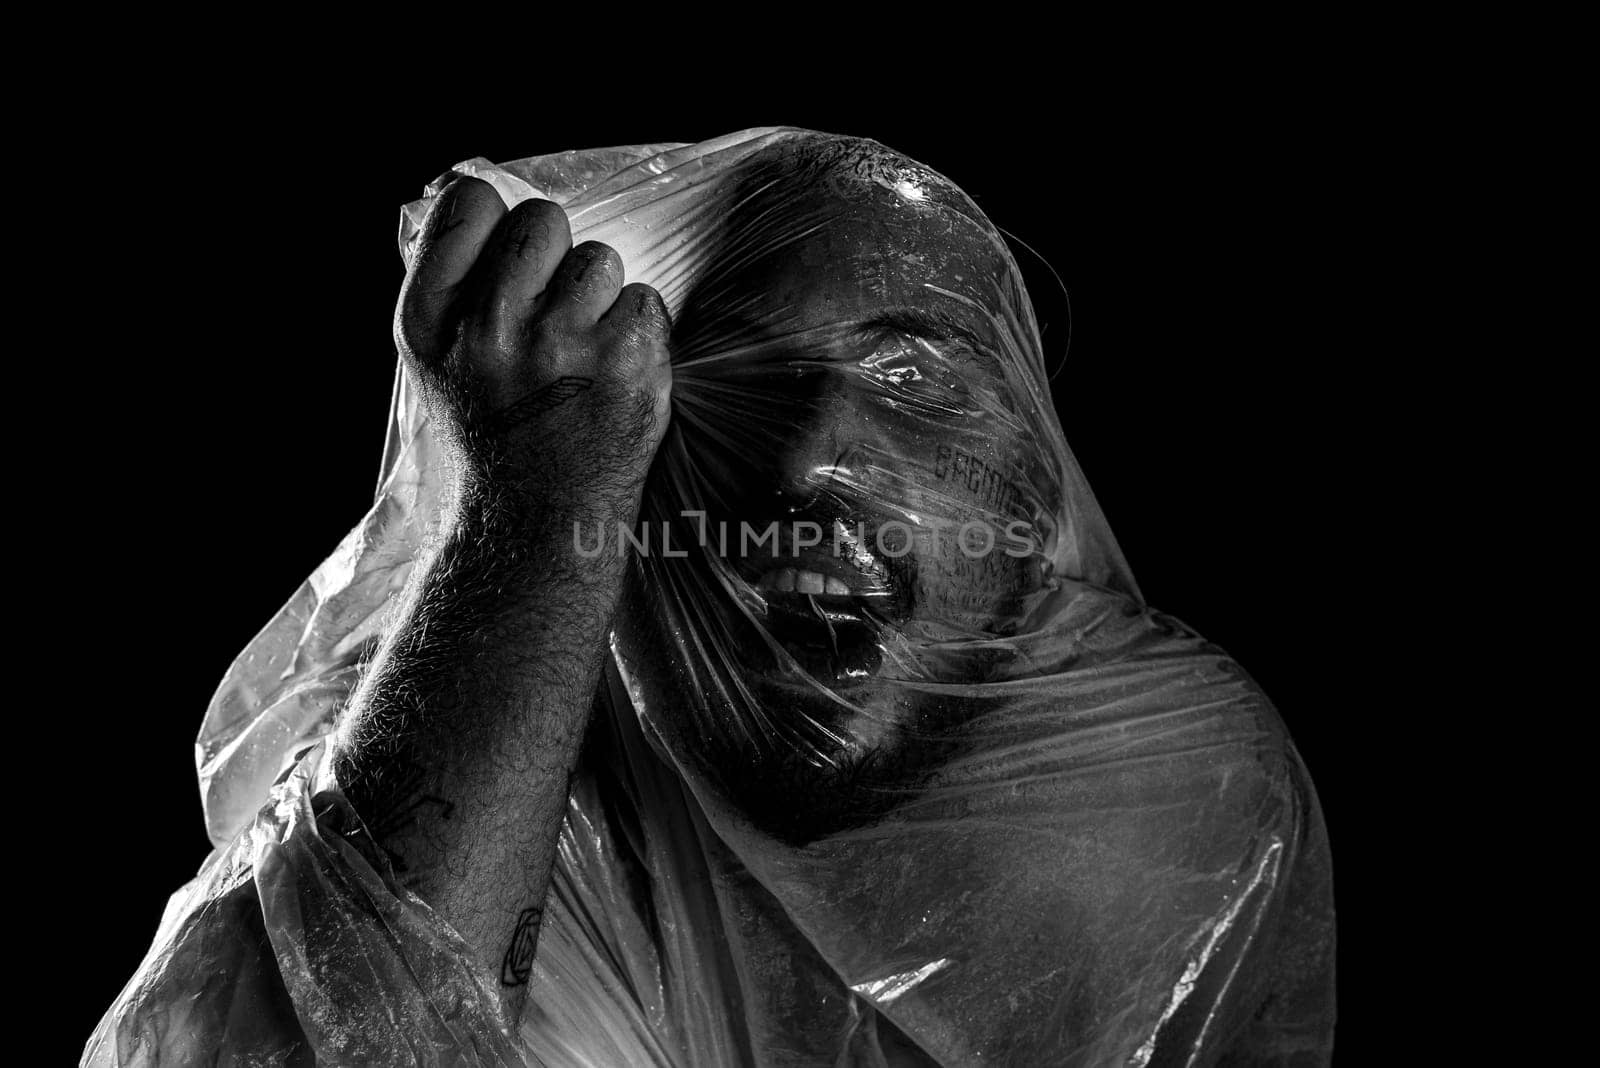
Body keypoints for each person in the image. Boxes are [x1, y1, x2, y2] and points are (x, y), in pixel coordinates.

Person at [85, 130, 1335, 1066]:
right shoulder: (481, 713)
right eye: (739, 381)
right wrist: (529, 505)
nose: (806, 461)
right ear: (635, 440)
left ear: (1035, 492)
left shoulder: (1168, 779)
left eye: (913, 375)